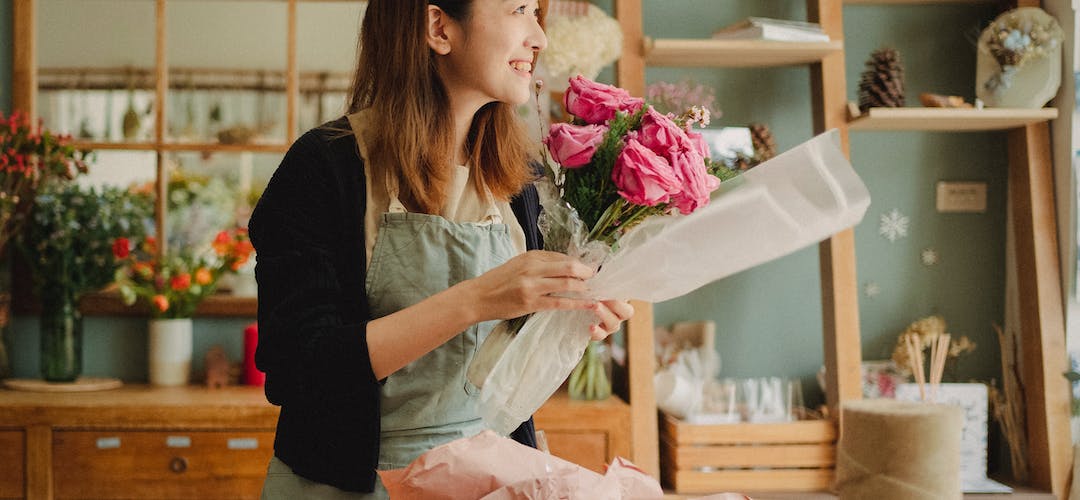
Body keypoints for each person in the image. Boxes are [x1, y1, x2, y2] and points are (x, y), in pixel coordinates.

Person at [249, 0, 634, 497]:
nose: (540, 38)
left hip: (485, 478)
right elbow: (302, 368)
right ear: (438, 26)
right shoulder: (324, 166)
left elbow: (503, 363)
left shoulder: (522, 180)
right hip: (348, 484)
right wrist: (475, 299)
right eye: (520, 9)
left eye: (538, 14)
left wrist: (567, 316)